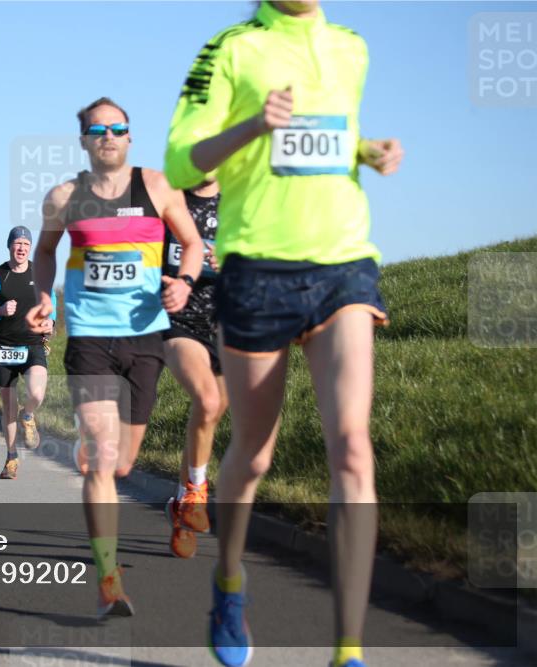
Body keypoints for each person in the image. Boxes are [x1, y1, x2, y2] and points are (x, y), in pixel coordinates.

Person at [164, 2, 404, 666]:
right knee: (253, 458)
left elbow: (326, 138)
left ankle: (348, 649)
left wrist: (366, 149)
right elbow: (180, 160)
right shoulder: (230, 49)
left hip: (343, 264)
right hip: (258, 268)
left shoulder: (351, 47)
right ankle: (230, 581)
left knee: (354, 450)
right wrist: (251, 123)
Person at [26, 97, 204, 618]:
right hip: (90, 340)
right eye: (97, 129)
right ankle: (107, 577)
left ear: (130, 137)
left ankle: (171, 501)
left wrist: (185, 284)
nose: (108, 135)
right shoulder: (64, 196)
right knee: (104, 459)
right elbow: (44, 252)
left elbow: (191, 244)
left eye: (117, 127)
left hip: (145, 337)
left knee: (123, 462)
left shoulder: (157, 188)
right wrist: (44, 295)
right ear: (83, 140)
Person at [161, 179, 228, 559]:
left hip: (226, 320)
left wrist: (233, 259)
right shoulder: (168, 201)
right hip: (178, 319)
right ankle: (196, 492)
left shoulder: (239, 200)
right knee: (206, 399)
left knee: (214, 411)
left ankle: (181, 503)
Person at [0, 225, 56, 480]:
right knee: (8, 409)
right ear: (9, 246)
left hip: (33, 345)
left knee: (36, 392)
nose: (21, 248)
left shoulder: (39, 272)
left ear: (29, 248)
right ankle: (11, 458)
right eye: (16, 243)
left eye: (25, 244)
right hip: (4, 347)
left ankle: (28, 414)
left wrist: (51, 322)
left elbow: (50, 304)